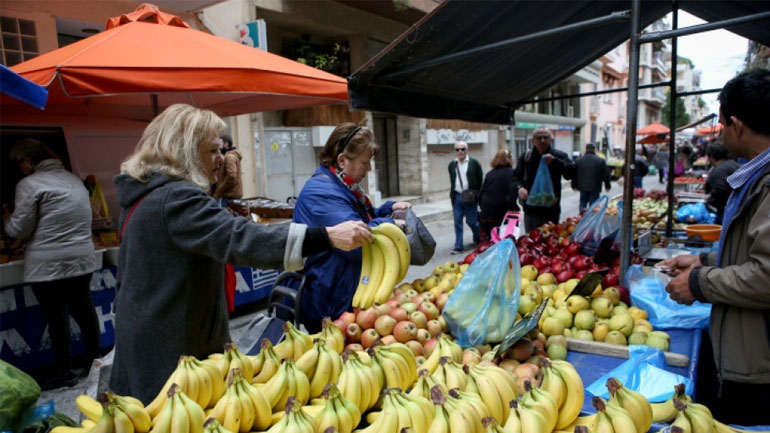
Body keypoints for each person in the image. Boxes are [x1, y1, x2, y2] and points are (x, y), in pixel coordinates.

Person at [109, 105, 372, 403]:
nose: (221, 159)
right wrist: (324, 236)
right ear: (183, 151)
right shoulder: (175, 198)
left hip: (149, 334)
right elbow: (239, 237)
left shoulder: (145, 195)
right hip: (169, 347)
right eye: (212, 151)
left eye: (221, 150)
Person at [658, 69, 770, 425]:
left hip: (760, 363)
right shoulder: (755, 177)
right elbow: (754, 249)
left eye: (721, 124)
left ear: (736, 125)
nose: (721, 132)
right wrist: (705, 258)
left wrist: (698, 282)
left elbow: (766, 276)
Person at [292, 123, 412, 333]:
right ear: (341, 160)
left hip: (344, 291)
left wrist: (387, 208)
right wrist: (391, 224)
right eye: (365, 162)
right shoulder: (320, 193)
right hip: (329, 297)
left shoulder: (342, 185)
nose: (369, 169)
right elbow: (357, 239)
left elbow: (362, 217)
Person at [2, 138, 101, 390]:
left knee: (57, 318)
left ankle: (63, 371)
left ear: (27, 162)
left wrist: (7, 219)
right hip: (82, 259)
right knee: (84, 311)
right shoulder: (74, 180)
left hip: (48, 265)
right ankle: (94, 361)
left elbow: (19, 229)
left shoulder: (29, 184)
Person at [512, 127, 575, 233]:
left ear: (550, 139)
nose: (542, 140)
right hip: (531, 212)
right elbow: (515, 177)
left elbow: (571, 174)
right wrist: (520, 188)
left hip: (551, 211)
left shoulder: (559, 156)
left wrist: (555, 162)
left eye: (545, 137)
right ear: (533, 140)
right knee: (531, 241)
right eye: (539, 137)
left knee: (550, 242)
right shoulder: (526, 157)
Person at [448, 141, 482, 253]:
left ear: (467, 150)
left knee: (472, 222)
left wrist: (478, 195)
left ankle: (478, 238)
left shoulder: (474, 163)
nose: (460, 151)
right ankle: (458, 246)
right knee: (457, 222)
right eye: (457, 149)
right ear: (455, 151)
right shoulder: (452, 165)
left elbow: (480, 180)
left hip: (470, 197)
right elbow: (453, 181)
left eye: (463, 149)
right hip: (457, 196)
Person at [478, 149, 518, 242]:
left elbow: (482, 191)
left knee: (490, 237)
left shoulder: (490, 173)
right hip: (502, 210)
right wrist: (514, 208)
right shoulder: (512, 173)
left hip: (487, 210)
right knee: (503, 237)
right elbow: (512, 193)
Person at [703, 141, 740, 223]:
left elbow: (719, 191)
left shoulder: (720, 170)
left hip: (725, 211)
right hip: (734, 208)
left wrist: (707, 200)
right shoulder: (732, 164)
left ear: (711, 156)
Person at [572, 143, 611, 211]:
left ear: (586, 149)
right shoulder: (600, 161)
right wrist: (607, 185)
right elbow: (606, 174)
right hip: (595, 187)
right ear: (594, 150)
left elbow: (574, 174)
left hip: (582, 187)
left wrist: (574, 185)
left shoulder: (578, 160)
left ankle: (582, 218)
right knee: (594, 205)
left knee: (583, 203)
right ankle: (591, 220)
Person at [211, 134, 243, 205]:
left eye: (220, 143)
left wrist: (219, 191)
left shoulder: (229, 157)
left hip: (228, 196)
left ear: (226, 144)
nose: (218, 146)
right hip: (228, 195)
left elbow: (231, 176)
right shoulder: (227, 156)